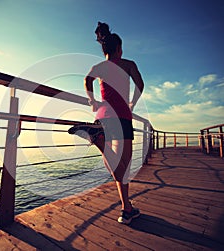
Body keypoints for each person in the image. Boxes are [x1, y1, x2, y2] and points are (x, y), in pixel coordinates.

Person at [68, 22, 144, 224]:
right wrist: (132, 103)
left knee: (115, 163)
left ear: (104, 50)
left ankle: (127, 208)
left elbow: (87, 80)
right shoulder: (128, 64)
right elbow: (140, 85)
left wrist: (92, 100)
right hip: (122, 116)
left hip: (103, 117)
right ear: (119, 48)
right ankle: (99, 142)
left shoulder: (98, 67)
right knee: (123, 168)